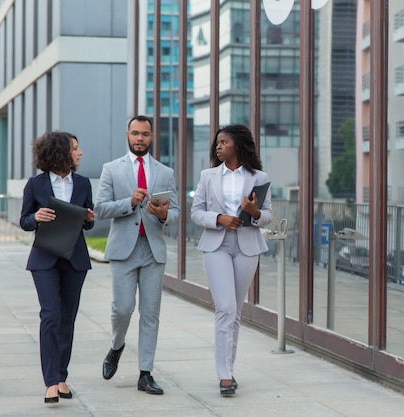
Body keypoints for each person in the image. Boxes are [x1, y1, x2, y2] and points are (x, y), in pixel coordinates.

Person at [94, 115, 180, 395]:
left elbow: (176, 213)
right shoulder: (111, 169)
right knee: (122, 309)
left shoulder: (165, 172)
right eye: (135, 133)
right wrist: (129, 203)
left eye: (145, 134)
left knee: (150, 314)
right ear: (127, 135)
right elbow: (100, 208)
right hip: (123, 249)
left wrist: (165, 214)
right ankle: (117, 346)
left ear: (152, 137)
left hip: (152, 249)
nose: (140, 138)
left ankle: (145, 373)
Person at [190, 124, 273, 395]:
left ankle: (229, 368)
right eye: (217, 143)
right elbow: (196, 212)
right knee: (224, 307)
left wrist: (254, 211)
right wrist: (218, 219)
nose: (218, 146)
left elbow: (268, 216)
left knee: (235, 312)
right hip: (217, 245)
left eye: (223, 142)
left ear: (237, 144)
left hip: (247, 246)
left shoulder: (259, 177)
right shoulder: (208, 175)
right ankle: (224, 376)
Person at [20, 131, 95, 403]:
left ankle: (62, 376)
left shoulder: (84, 183)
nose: (80, 152)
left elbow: (89, 221)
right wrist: (36, 217)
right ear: (61, 152)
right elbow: (24, 220)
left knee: (67, 319)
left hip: (75, 259)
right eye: (75, 148)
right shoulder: (35, 184)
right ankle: (51, 382)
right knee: (50, 315)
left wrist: (88, 218)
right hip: (45, 259)